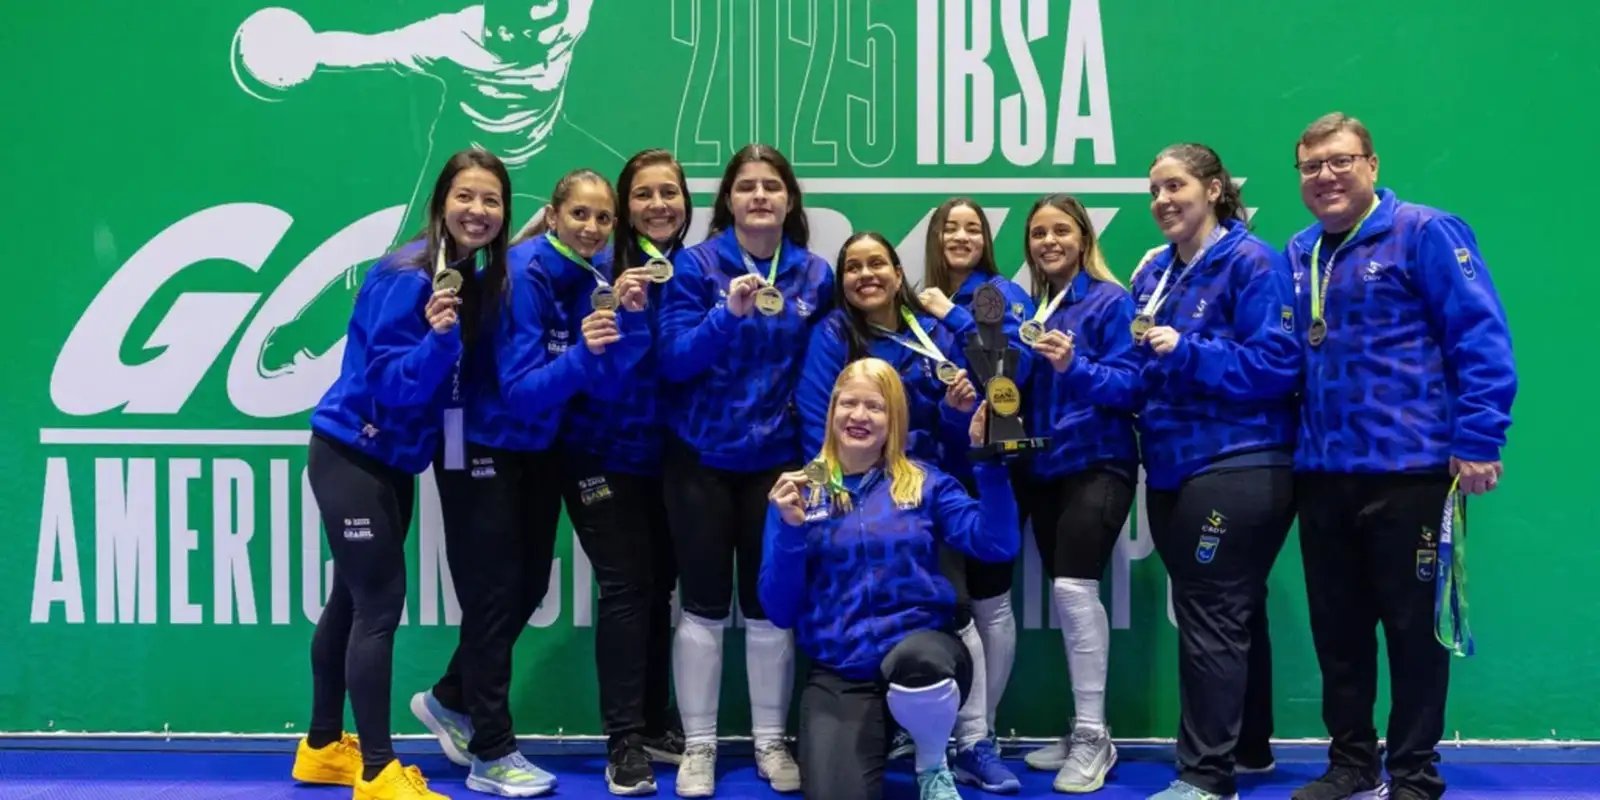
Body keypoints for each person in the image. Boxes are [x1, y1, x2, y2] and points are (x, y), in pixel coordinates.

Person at [1285, 113, 1516, 800]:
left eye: (1339, 160)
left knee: (1414, 631)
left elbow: (1480, 338)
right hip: (1322, 473)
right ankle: (1351, 763)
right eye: (1310, 166)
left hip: (1410, 469)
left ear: (1372, 163)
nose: (1325, 175)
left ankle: (1414, 770)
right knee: (1339, 631)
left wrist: (1479, 439)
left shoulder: (1426, 232)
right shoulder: (1299, 251)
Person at [409, 166, 649, 798]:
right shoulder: (526, 276)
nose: (592, 226)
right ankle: (492, 752)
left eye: (603, 218)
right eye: (580, 214)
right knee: (492, 597)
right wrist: (583, 356)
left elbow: (603, 380)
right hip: (484, 445)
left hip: (536, 452)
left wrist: (626, 328)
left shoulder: (591, 279)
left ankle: (449, 699)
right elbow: (518, 393)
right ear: (557, 213)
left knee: (526, 588)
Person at [293, 148, 505, 800]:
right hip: (353, 455)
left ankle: (322, 747)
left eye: (492, 201)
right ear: (441, 201)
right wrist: (440, 341)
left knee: (351, 601)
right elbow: (389, 384)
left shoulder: (456, 271)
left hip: (388, 463)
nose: (478, 210)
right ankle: (379, 771)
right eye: (466, 196)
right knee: (378, 608)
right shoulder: (408, 279)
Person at [1117, 144, 1302, 800]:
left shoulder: (1252, 261)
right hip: (1169, 469)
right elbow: (1138, 376)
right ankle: (1249, 751)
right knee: (1234, 607)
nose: (1163, 200)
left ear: (1215, 188)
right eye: (1155, 191)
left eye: (1176, 186)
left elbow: (1280, 366)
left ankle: (1204, 775)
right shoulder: (1154, 274)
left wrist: (1187, 350)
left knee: (1212, 613)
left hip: (1239, 464)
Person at [657, 143, 835, 797]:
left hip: (778, 466)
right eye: (746, 187)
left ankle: (769, 743)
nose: (760, 196)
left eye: (772, 186)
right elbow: (672, 361)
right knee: (702, 606)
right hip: (699, 459)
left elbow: (823, 373)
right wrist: (724, 315)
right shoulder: (692, 267)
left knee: (768, 610)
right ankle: (699, 747)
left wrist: (819, 461)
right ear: (727, 200)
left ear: (790, 201)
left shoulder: (815, 276)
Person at [760, 357, 1022, 800]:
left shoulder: (925, 483)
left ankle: (932, 760)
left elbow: (997, 545)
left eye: (875, 407)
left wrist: (990, 465)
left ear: (894, 419)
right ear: (832, 412)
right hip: (843, 671)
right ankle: (879, 739)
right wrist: (789, 530)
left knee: (920, 661)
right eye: (849, 404)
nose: (859, 416)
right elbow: (779, 610)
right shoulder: (798, 492)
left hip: (922, 655)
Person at [556, 149, 693, 795]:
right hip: (600, 453)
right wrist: (629, 315)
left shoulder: (696, 268)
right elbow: (603, 375)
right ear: (625, 206)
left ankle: (656, 720)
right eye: (644, 194)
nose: (659, 204)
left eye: (670, 192)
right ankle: (623, 743)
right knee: (627, 588)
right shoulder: (600, 271)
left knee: (659, 587)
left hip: (667, 459)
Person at [1007, 194, 1137, 794]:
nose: (1049, 241)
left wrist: (1073, 366)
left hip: (1099, 464)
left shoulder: (1111, 302)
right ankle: (1082, 726)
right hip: (1045, 471)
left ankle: (1093, 735)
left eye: (1061, 230)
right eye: (1038, 233)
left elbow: (1133, 385)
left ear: (1083, 238)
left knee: (1073, 588)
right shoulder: (1031, 308)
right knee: (1067, 596)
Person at [911, 197, 1035, 794]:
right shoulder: (916, 304)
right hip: (930, 475)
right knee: (944, 604)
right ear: (934, 237)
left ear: (986, 238)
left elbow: (1012, 377)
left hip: (989, 468)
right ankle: (941, 729)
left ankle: (979, 736)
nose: (960, 236)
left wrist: (953, 316)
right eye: (949, 227)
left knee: (990, 604)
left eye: (972, 227)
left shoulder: (1000, 295)